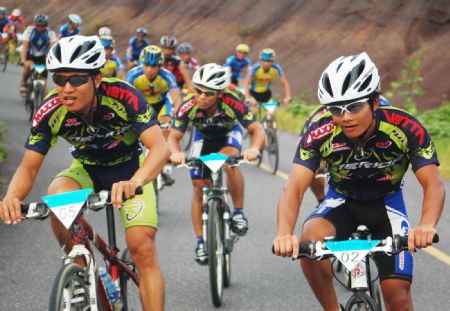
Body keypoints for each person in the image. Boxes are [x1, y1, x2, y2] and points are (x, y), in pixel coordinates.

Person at [1, 35, 168, 310]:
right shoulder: (50, 110)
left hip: (130, 170)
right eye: (59, 79)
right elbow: (29, 165)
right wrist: (11, 197)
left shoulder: (124, 96)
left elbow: (159, 148)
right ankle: (81, 269)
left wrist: (136, 181)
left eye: (77, 80)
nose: (66, 88)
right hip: (86, 169)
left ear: (97, 80)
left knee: (142, 248)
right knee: (57, 196)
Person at [273, 52, 445, 311]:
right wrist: (284, 233)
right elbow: (294, 186)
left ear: (374, 102)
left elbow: (433, 183)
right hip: (341, 201)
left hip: (387, 207)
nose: (344, 117)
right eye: (335, 109)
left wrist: (427, 226)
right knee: (308, 242)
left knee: (397, 296)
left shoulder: (405, 126)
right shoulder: (320, 131)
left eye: (354, 106)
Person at [168, 63, 265, 263]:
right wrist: (176, 153)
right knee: (198, 188)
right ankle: (201, 243)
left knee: (228, 161)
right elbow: (173, 137)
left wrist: (254, 148)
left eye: (209, 93)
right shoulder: (188, 106)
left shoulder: (233, 101)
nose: (201, 97)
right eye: (198, 90)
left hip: (228, 135)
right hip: (202, 138)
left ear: (220, 94)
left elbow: (257, 130)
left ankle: (238, 213)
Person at [127, 45, 182, 186]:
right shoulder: (133, 75)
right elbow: (125, 99)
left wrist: (177, 111)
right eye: (146, 65)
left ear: (160, 65)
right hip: (142, 107)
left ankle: (161, 168)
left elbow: (176, 99)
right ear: (141, 63)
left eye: (155, 66)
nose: (150, 70)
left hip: (161, 106)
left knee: (163, 135)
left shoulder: (167, 76)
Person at [244, 48, 291, 116]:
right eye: (264, 60)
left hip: (266, 95)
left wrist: (287, 97)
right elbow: (247, 82)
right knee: (254, 112)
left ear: (272, 61)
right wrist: (247, 97)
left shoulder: (276, 68)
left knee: (272, 114)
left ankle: (270, 126)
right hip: (254, 94)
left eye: (269, 61)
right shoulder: (255, 68)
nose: (266, 63)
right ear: (261, 60)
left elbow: (284, 82)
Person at [20, 14, 56, 97]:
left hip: (42, 57)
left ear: (46, 25)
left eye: (42, 25)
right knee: (27, 68)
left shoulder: (50, 33)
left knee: (43, 82)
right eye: (38, 25)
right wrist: (23, 60)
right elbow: (24, 47)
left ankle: (43, 102)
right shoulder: (29, 31)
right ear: (35, 24)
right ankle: (24, 82)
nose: (40, 27)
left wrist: (53, 62)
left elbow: (53, 49)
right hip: (31, 55)